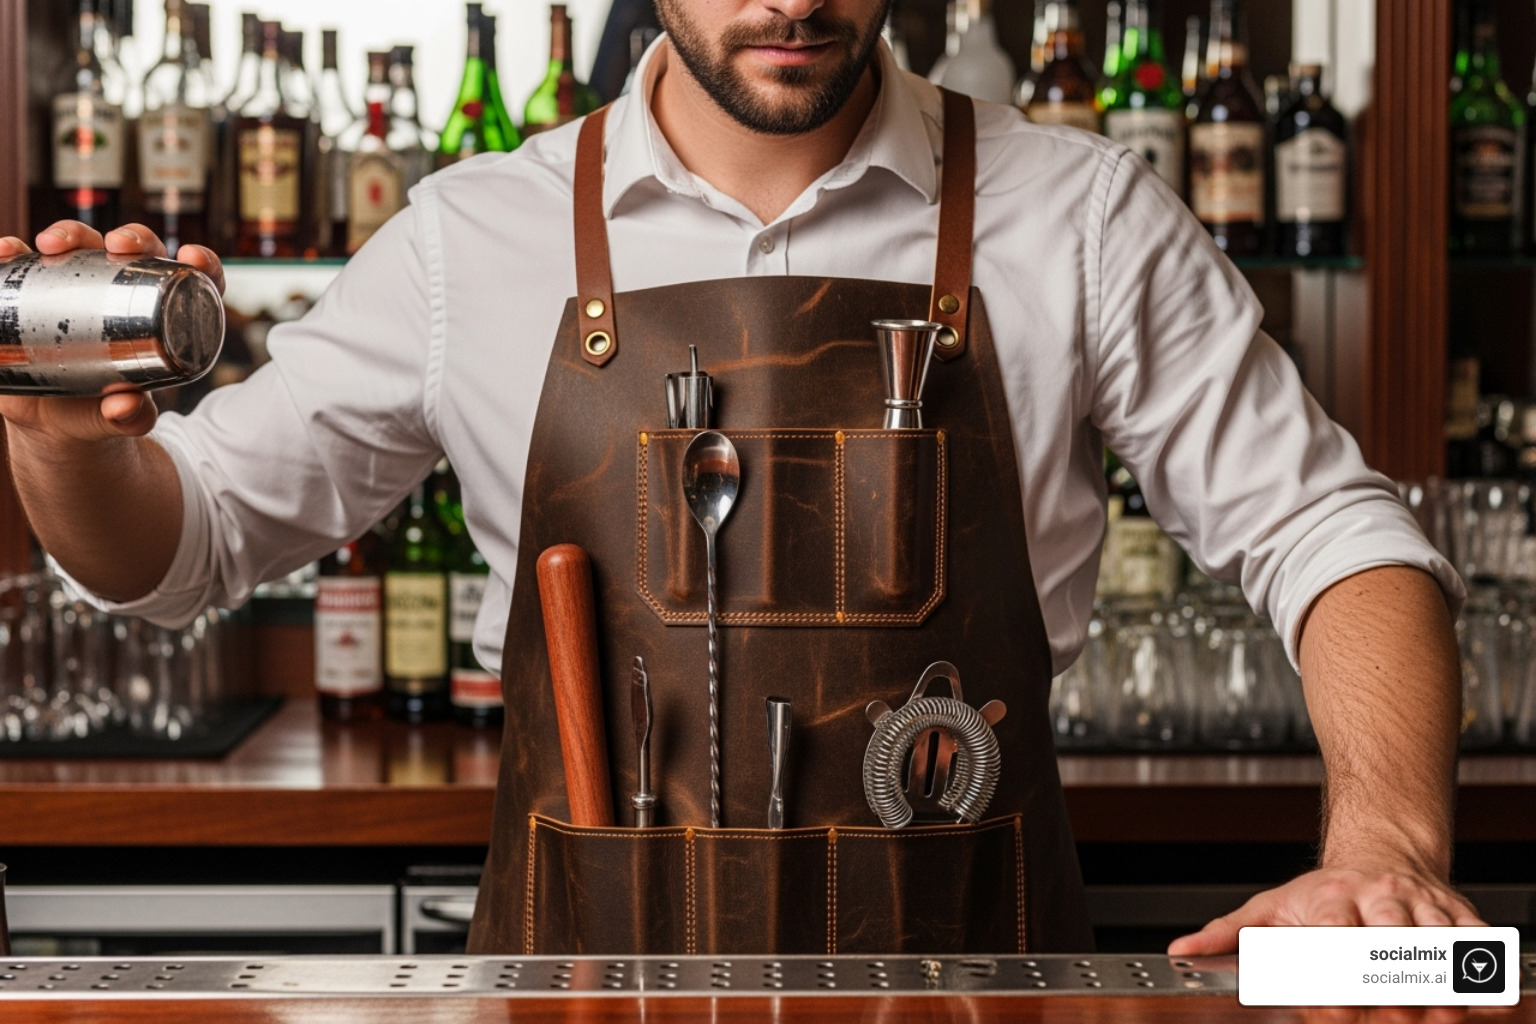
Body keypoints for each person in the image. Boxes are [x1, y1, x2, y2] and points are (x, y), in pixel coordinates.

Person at [0, 0, 1483, 955]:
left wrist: (1386, 853)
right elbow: (180, 545)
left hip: (977, 982)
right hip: (583, 985)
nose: (791, 0)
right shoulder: (474, 239)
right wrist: (63, 444)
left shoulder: (1083, 217)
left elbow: (1336, 535)